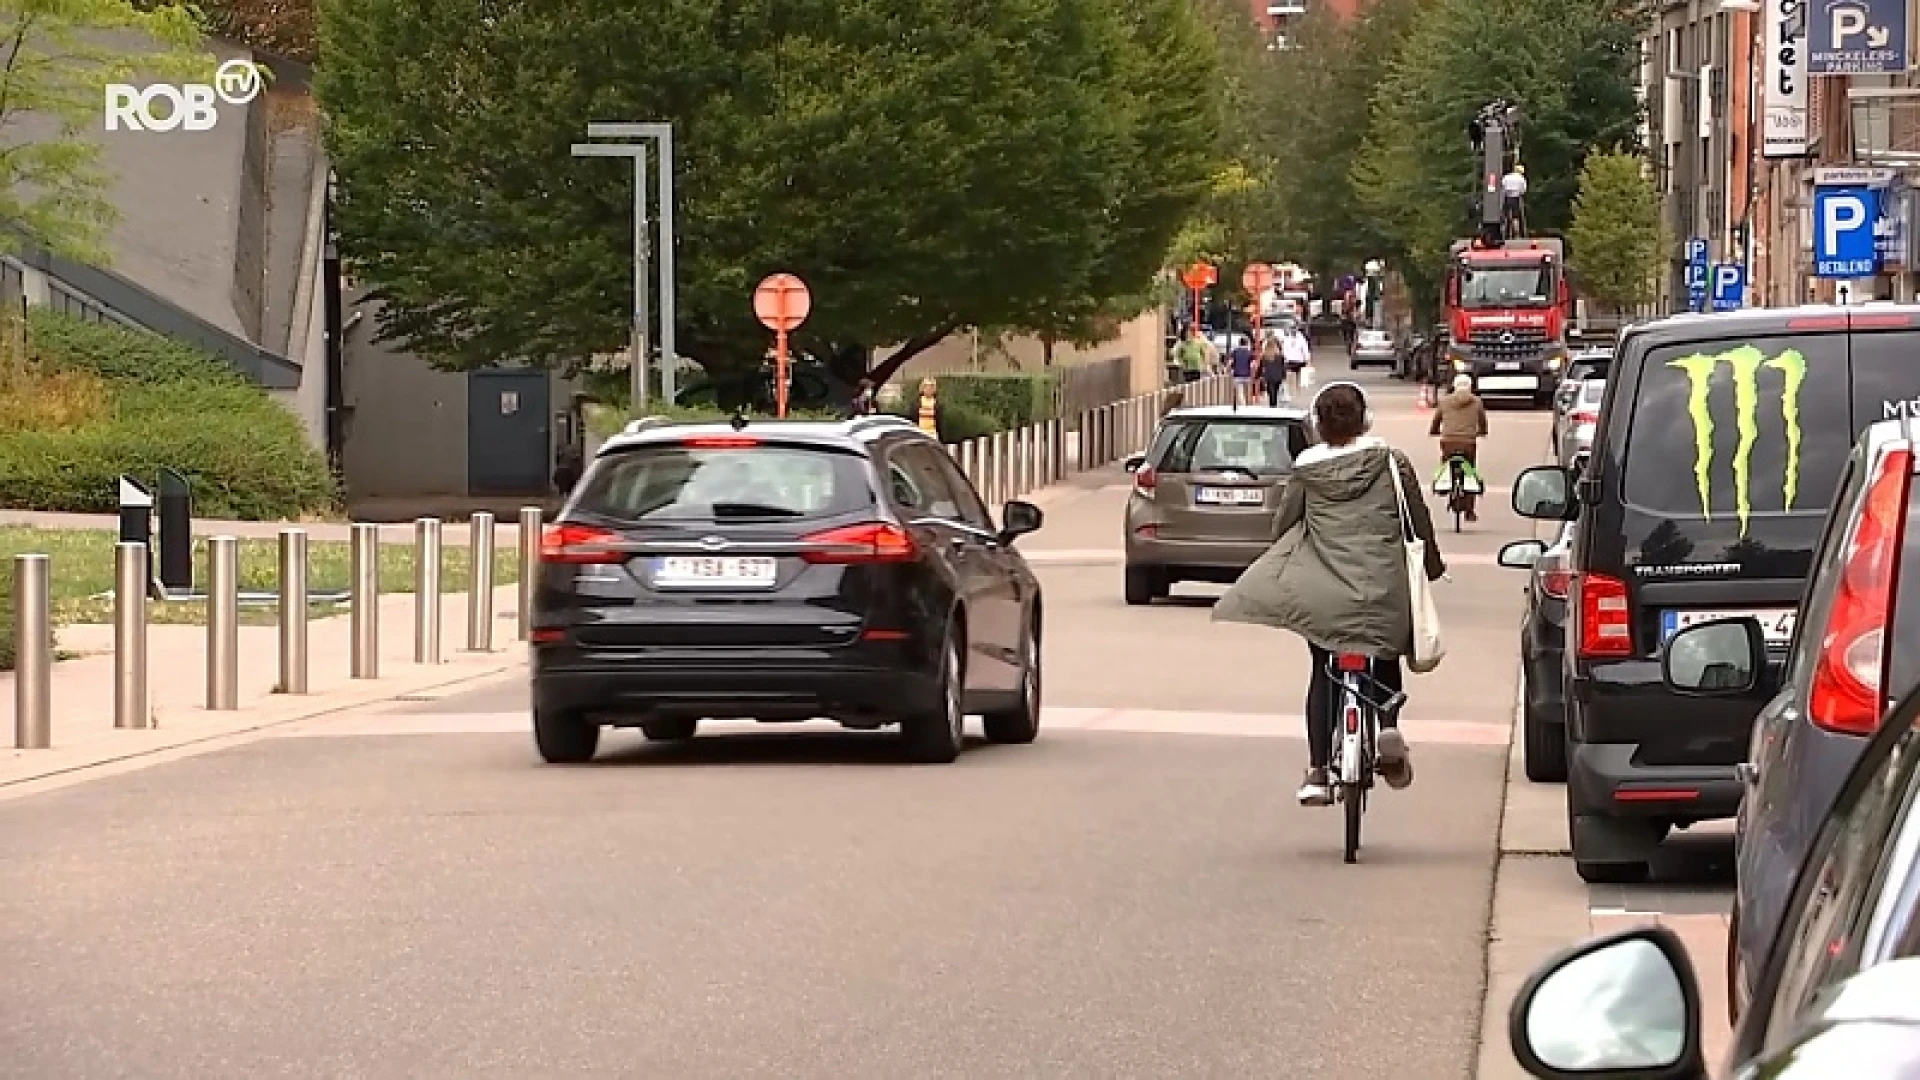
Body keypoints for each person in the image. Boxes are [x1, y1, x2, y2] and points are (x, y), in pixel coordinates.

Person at [1212, 381, 1446, 806]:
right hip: (1382, 588)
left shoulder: (1306, 471)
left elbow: (1284, 525)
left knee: (1323, 669)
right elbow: (1417, 520)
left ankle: (1318, 770)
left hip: (1325, 593)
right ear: (1366, 420)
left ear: (1318, 425)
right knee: (1385, 653)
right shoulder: (1392, 463)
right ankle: (1388, 723)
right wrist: (1432, 567)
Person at [1430, 373, 1489, 521]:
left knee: (1445, 463)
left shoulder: (1444, 402)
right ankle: (1469, 511)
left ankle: (1444, 485)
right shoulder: (1477, 402)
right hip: (1468, 443)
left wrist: (1434, 431)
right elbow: (1482, 421)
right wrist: (1482, 432)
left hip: (1448, 442)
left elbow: (1437, 420)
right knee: (1470, 473)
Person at [1281, 323, 1312, 401]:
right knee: (1289, 377)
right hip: (1290, 361)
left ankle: (1298, 393)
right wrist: (1285, 358)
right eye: (1292, 329)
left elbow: (1305, 349)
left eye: (1294, 329)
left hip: (1300, 360)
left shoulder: (1301, 338)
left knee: (1299, 378)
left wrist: (1307, 360)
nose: (1293, 330)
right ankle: (1289, 392)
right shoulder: (1287, 339)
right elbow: (1284, 349)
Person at [1258, 334, 1288, 406]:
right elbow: (1283, 367)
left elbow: (1260, 367)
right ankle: (1274, 404)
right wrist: (1284, 376)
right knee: (1276, 391)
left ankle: (1272, 404)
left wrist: (1258, 376)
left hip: (1269, 377)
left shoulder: (1264, 356)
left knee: (1271, 391)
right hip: (1278, 377)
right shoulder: (1280, 356)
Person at [1501, 164, 1527, 237]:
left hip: (1507, 197)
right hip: (1516, 198)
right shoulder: (1522, 179)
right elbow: (1523, 190)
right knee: (1516, 217)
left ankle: (1505, 233)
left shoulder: (1507, 177)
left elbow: (1502, 186)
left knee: (1506, 216)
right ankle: (1516, 233)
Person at [1228, 337, 1255, 403]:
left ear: (1239, 343)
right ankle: (1248, 402)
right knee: (1247, 391)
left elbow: (1230, 362)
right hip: (1247, 375)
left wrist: (1229, 369)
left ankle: (1243, 403)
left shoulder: (1235, 352)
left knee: (1240, 391)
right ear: (1247, 343)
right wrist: (1252, 373)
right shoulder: (1250, 353)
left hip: (1237, 374)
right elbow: (1252, 365)